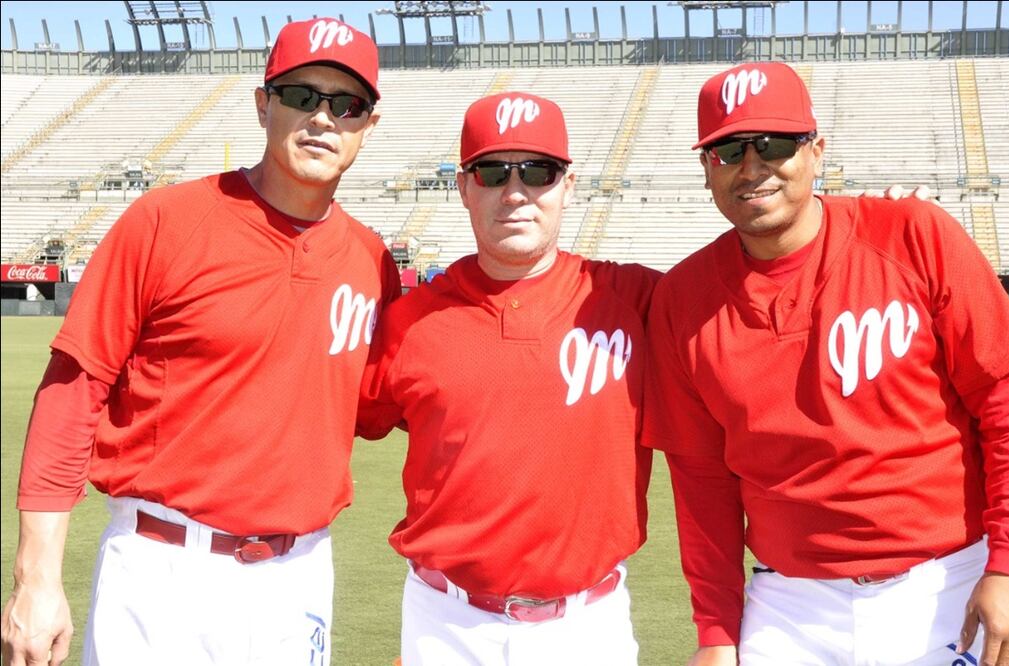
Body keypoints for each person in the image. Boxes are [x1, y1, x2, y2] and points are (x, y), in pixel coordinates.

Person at [2, 18, 400, 666]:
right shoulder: (165, 222)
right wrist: (36, 579)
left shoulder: (371, 262)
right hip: (162, 574)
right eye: (302, 95)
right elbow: (73, 395)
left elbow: (396, 406)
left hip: (297, 578)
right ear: (263, 105)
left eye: (346, 103)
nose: (323, 118)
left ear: (368, 127)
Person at [642, 62, 1009, 666]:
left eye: (774, 143)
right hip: (788, 605)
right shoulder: (682, 299)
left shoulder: (915, 234)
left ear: (816, 151)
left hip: (942, 585)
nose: (752, 167)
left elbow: (1008, 409)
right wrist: (716, 632)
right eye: (728, 151)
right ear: (706, 169)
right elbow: (703, 484)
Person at [356, 91, 659, 666]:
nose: (515, 192)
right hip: (444, 624)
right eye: (493, 172)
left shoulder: (637, 300)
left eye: (538, 171)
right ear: (464, 187)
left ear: (568, 186)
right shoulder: (408, 321)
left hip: (588, 627)